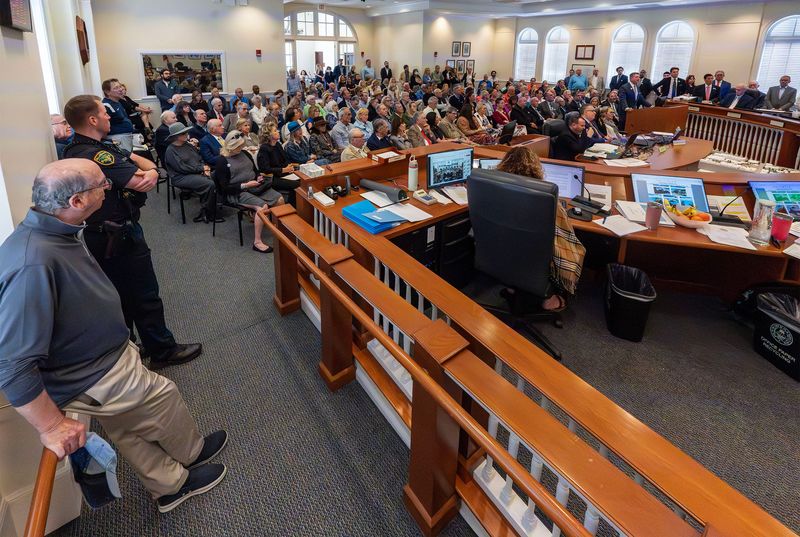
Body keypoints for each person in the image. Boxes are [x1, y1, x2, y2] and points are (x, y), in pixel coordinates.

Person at [0, 159, 229, 514]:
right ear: (76, 201)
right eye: (101, 184)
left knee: (127, 429)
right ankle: (190, 453)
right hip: (95, 373)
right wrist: (52, 425)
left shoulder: (57, 230)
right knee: (163, 398)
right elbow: (12, 365)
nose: (108, 188)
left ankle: (170, 486)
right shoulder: (32, 263)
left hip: (100, 360)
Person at [62, 95, 201, 367]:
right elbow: (141, 180)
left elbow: (146, 166)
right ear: (92, 119)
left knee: (124, 295)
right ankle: (162, 350)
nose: (110, 116)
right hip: (116, 234)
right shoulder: (94, 154)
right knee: (143, 294)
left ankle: (135, 347)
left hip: (107, 232)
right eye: (104, 113)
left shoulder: (88, 147)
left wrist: (149, 170)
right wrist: (149, 173)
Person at [496, 147, 585, 311]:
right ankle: (547, 299)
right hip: (534, 260)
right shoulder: (547, 199)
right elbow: (564, 239)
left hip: (500, 254)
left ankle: (512, 287)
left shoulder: (494, 191)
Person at [215, 130, 284, 253]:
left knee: (280, 199)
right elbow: (224, 188)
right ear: (231, 146)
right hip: (236, 192)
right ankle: (257, 242)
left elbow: (255, 170)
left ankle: (277, 228)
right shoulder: (222, 161)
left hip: (254, 186)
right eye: (238, 146)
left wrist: (258, 177)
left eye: (242, 146)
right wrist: (245, 185)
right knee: (262, 207)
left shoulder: (245, 153)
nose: (241, 148)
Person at [164, 122, 219, 223]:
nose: (187, 134)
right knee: (209, 183)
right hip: (181, 177)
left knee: (217, 176)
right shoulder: (170, 151)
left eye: (186, 132)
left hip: (195, 172)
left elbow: (200, 157)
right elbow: (181, 168)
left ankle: (210, 208)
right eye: (183, 133)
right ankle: (208, 212)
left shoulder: (187, 145)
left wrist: (205, 168)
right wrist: (201, 169)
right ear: (176, 136)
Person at [256, 125, 300, 202]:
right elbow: (266, 169)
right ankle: (291, 206)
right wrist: (284, 170)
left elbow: (285, 159)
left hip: (282, 173)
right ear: (269, 135)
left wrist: (289, 166)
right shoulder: (264, 148)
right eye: (275, 131)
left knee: (302, 180)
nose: (278, 131)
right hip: (271, 178)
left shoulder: (277, 144)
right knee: (297, 185)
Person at [102, 78, 135, 153]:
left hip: (126, 137)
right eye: (116, 88)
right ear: (107, 92)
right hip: (118, 139)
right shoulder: (106, 106)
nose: (120, 89)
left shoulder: (118, 102)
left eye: (120, 87)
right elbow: (103, 127)